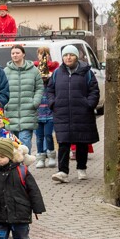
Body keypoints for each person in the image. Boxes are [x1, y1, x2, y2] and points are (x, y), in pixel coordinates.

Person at [45, 44, 99, 182]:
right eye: (65, 55)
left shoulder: (86, 72)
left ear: (76, 57)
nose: (68, 57)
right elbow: (50, 90)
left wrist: (89, 104)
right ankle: (63, 172)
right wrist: (53, 103)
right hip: (62, 112)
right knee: (63, 142)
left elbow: (94, 90)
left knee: (82, 142)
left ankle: (81, 168)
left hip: (82, 113)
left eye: (71, 55)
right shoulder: (57, 73)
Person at [3, 44, 42, 154]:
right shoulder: (6, 71)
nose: (15, 55)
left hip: (28, 113)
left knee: (25, 143)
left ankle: (25, 164)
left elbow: (39, 88)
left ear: (23, 54)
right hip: (10, 114)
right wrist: (5, 104)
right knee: (12, 145)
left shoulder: (34, 71)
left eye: (17, 53)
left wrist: (35, 102)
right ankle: (14, 165)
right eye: (13, 53)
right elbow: (2, 89)